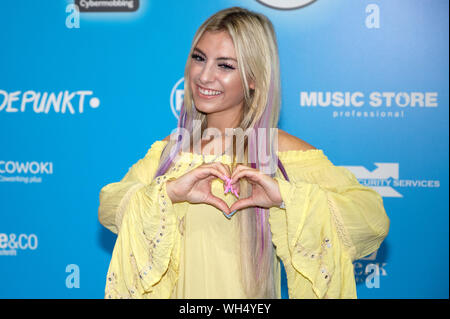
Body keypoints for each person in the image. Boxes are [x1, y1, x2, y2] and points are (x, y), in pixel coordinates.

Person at [98, 6, 389, 299]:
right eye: (199, 58)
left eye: (224, 65)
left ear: (254, 78)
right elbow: (110, 207)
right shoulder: (173, 149)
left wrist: (287, 198)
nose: (204, 76)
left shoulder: (276, 151)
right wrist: (170, 193)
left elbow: (371, 220)